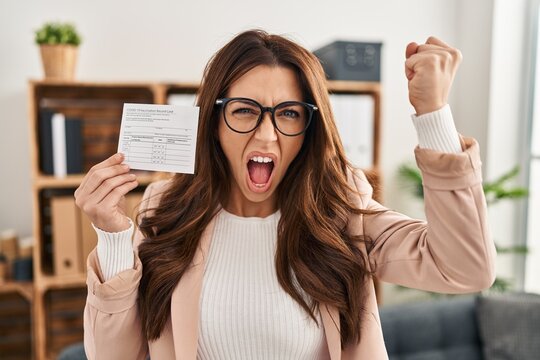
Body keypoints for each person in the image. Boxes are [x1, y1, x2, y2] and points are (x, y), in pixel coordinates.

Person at [75, 29, 496, 360]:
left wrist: (433, 115)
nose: (266, 134)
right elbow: (113, 356)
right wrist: (112, 236)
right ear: (213, 122)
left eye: (289, 114)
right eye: (244, 110)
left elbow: (465, 268)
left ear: (309, 128)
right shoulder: (164, 210)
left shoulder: (344, 215)